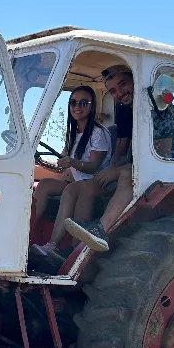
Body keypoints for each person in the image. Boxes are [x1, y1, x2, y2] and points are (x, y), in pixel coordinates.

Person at [63, 65, 174, 252]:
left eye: (123, 84)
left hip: (164, 172)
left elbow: (162, 154)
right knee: (87, 186)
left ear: (136, 81)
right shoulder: (127, 110)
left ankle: (100, 228)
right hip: (137, 169)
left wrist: (117, 171)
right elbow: (120, 149)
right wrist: (107, 171)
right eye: (113, 91)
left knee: (127, 173)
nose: (119, 93)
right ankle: (73, 253)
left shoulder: (161, 111)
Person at [29, 85, 111, 266]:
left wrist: (72, 163)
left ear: (92, 106)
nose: (77, 107)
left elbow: (93, 167)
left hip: (94, 182)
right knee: (44, 185)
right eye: (73, 102)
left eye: (83, 103)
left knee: (70, 189)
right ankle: (26, 234)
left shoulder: (99, 133)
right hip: (77, 179)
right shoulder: (73, 132)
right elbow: (64, 160)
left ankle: (53, 245)